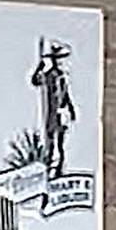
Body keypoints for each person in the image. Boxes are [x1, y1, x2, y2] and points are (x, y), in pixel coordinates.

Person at [31, 37, 77, 177]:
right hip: (51, 112)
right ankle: (49, 166)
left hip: (60, 112)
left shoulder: (63, 76)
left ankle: (60, 168)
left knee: (61, 142)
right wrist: (39, 68)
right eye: (57, 59)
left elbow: (66, 94)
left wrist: (71, 108)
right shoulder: (49, 75)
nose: (59, 62)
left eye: (61, 59)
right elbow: (35, 81)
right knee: (50, 140)